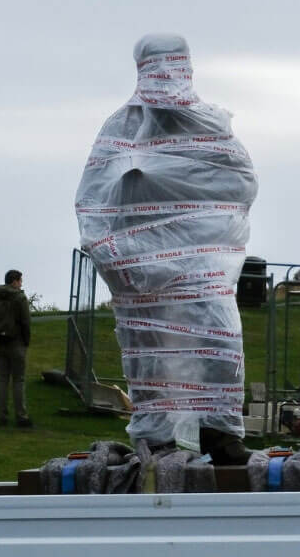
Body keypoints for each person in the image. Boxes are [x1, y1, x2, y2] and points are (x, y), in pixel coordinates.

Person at [75, 34, 258, 464]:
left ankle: (220, 434)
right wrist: (119, 257)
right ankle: (157, 441)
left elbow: (241, 183)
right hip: (141, 277)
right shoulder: (120, 129)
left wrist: (198, 236)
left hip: (202, 272)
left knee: (219, 344)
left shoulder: (209, 125)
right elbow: (93, 201)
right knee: (151, 359)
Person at [0, 269, 33, 428]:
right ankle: (21, 416)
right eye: (20, 281)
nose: (21, 284)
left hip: (0, 342)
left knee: (2, 379)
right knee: (18, 380)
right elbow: (26, 321)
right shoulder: (19, 297)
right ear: (15, 281)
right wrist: (26, 340)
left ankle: (2, 416)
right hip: (16, 341)